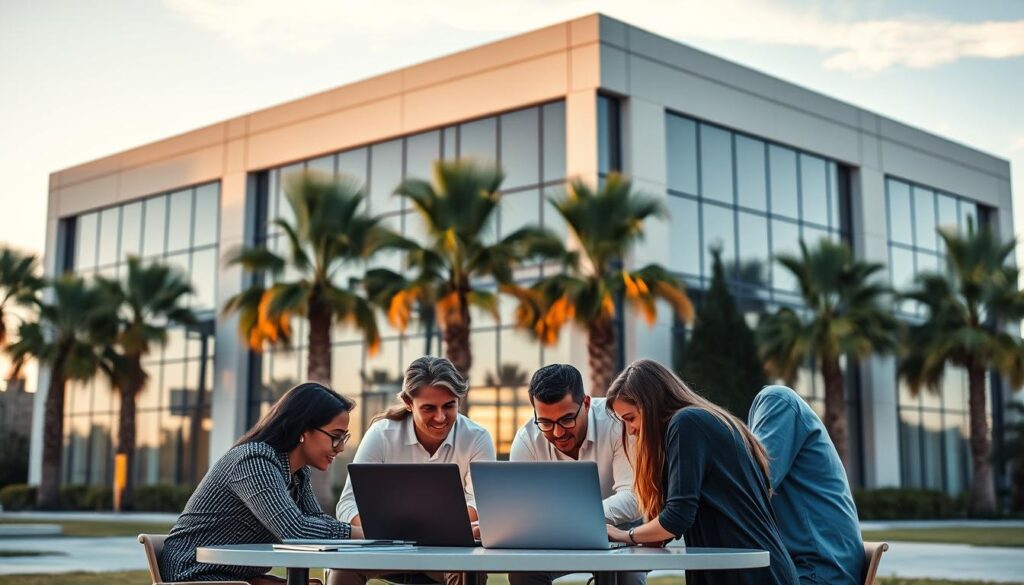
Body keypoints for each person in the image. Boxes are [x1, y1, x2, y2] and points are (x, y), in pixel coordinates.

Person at [604, 360, 798, 585]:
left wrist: (622, 535)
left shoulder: (686, 423)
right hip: (737, 570)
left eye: (630, 418)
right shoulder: (692, 425)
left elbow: (676, 519)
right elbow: (670, 526)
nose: (630, 430)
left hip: (751, 574)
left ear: (650, 404)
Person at [159, 382, 360, 585]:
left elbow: (314, 519)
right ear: (303, 429)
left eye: (344, 438)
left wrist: (367, 531)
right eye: (335, 437)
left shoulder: (298, 473)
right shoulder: (254, 460)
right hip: (194, 575)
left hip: (236, 577)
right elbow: (295, 530)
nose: (341, 447)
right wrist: (367, 534)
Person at [329, 356, 495, 585]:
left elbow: (482, 504)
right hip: (388, 548)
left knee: (468, 571)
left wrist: (421, 528)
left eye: (449, 406)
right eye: (429, 408)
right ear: (409, 402)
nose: (440, 417)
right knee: (342, 568)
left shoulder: (477, 438)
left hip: (447, 551)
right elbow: (348, 504)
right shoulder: (382, 434)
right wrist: (393, 530)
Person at [507, 363, 643, 585]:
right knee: (523, 572)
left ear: (586, 403)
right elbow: (520, 508)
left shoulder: (618, 423)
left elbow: (634, 497)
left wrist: (571, 519)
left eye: (567, 419)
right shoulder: (526, 440)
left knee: (626, 576)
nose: (558, 432)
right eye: (546, 423)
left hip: (617, 530)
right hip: (551, 535)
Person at [748, 385, 864, 585]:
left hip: (816, 574)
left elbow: (749, 489)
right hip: (812, 570)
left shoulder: (777, 401)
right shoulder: (774, 410)